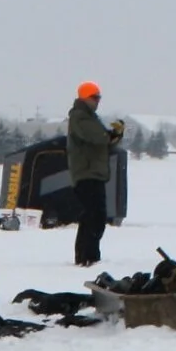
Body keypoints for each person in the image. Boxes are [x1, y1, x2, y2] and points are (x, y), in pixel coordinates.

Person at [66, 81, 124, 266]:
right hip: (86, 174)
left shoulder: (89, 118)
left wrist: (115, 134)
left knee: (93, 216)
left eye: (99, 97)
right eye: (95, 97)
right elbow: (97, 138)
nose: (98, 101)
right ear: (85, 98)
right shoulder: (80, 117)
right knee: (95, 216)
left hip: (93, 173)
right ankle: (87, 256)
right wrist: (111, 134)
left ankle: (87, 255)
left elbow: (104, 140)